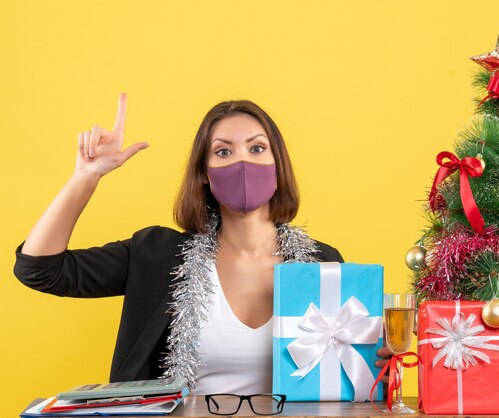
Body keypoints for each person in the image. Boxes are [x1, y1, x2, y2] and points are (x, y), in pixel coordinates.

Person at [13, 94, 353, 394]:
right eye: (223, 151)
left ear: (277, 164)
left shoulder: (321, 264)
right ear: (204, 172)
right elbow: (40, 270)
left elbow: (347, 374)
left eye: (257, 148)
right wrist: (86, 176)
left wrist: (375, 359)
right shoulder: (156, 256)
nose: (243, 163)